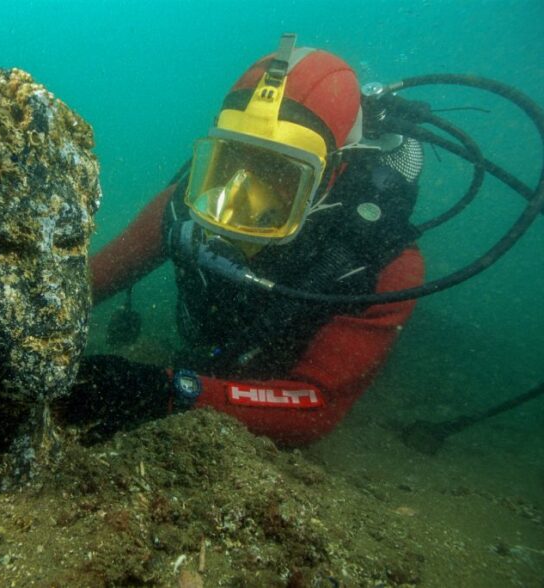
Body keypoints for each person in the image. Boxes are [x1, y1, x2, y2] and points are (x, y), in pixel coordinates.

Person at [62, 34, 425, 446]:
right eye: (230, 161)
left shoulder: (382, 264)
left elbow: (315, 407)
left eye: (278, 173)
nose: (234, 200)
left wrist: (168, 391)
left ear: (332, 174)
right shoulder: (186, 204)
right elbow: (85, 285)